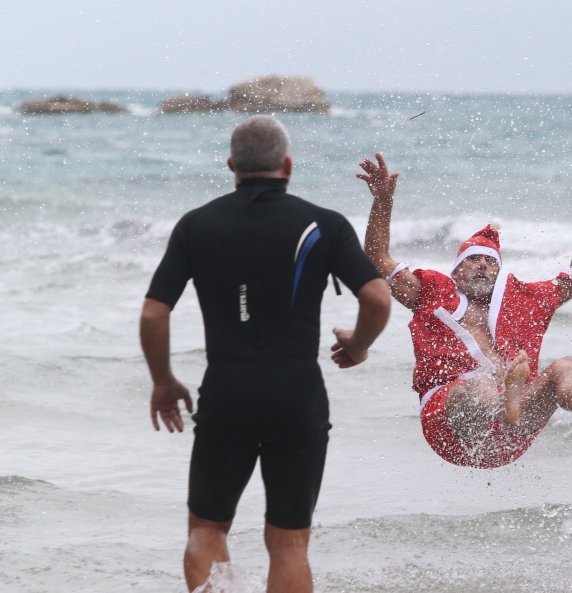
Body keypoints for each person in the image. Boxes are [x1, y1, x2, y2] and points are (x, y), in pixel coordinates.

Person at [140, 115, 391, 593]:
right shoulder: (324, 224)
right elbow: (378, 298)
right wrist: (358, 345)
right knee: (289, 542)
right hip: (296, 394)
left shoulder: (197, 225)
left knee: (206, 529)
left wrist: (163, 380)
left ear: (232, 164)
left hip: (227, 392)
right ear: (288, 165)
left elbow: (154, 314)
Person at [358, 153, 572, 469]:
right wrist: (382, 201)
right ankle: (505, 399)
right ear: (457, 271)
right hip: (450, 428)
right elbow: (377, 258)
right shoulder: (431, 293)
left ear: (499, 274)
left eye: (490, 263)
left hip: (508, 438)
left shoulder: (523, 300)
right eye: (473, 260)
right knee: (481, 385)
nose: (483, 266)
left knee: (568, 365)